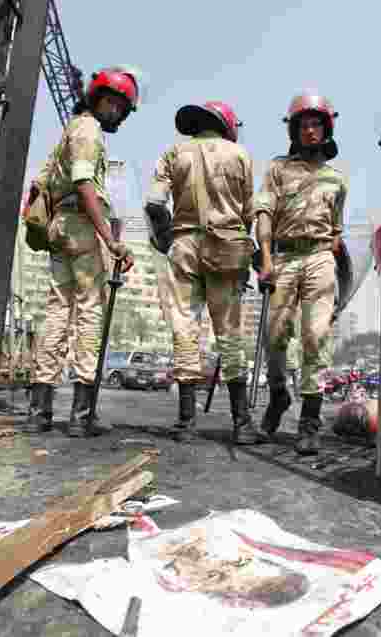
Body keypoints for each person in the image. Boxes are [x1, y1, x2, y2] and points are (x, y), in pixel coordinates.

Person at [25, 67, 139, 437]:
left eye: (121, 107)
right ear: (98, 99)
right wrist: (110, 237)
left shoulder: (71, 129)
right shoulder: (88, 131)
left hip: (61, 225)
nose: (116, 112)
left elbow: (41, 185)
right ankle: (80, 414)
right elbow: (84, 182)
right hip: (82, 225)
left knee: (58, 311)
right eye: (114, 104)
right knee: (90, 312)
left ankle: (39, 411)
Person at [145, 101, 257, 443]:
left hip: (184, 245)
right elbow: (250, 211)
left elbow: (154, 204)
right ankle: (242, 424)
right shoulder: (240, 155)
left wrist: (168, 239)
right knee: (231, 333)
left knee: (184, 327)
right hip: (228, 246)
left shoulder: (174, 152)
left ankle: (186, 422)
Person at [254, 92, 349, 455]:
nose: (310, 131)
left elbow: (337, 230)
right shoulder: (278, 168)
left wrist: (338, 274)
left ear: (326, 129)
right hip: (283, 256)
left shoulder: (337, 180)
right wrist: (265, 260)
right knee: (274, 335)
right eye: (304, 125)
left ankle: (310, 423)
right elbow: (263, 213)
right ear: (294, 130)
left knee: (315, 335)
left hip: (320, 257)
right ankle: (278, 395)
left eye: (316, 124)